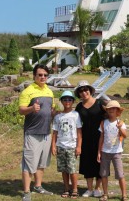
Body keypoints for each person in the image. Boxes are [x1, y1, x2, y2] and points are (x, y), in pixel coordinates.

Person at [18, 64, 55, 201]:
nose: (43, 77)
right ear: (34, 76)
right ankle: (27, 192)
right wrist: (31, 108)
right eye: (40, 75)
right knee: (29, 163)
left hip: (46, 132)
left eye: (45, 75)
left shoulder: (49, 91)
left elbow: (51, 109)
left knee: (41, 162)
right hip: (32, 132)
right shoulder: (27, 91)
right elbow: (21, 110)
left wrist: (56, 113)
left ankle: (38, 186)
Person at [74, 80, 106, 198]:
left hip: (100, 137)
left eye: (86, 89)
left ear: (90, 90)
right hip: (85, 137)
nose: (84, 92)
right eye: (81, 91)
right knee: (87, 162)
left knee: (99, 163)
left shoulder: (100, 103)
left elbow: (111, 113)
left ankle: (97, 188)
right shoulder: (79, 106)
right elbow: (74, 120)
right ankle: (89, 188)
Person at [51, 90, 82, 199]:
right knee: (64, 170)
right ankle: (66, 188)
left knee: (72, 169)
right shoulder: (58, 116)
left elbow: (79, 132)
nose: (67, 101)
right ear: (61, 101)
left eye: (69, 99)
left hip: (72, 146)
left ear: (73, 101)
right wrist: (53, 146)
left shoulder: (76, 115)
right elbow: (54, 132)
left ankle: (74, 189)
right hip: (61, 146)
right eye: (65, 99)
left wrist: (79, 146)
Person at [97, 100, 128, 201]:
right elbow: (101, 137)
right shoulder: (103, 123)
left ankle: (124, 195)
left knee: (120, 174)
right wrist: (99, 152)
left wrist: (120, 128)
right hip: (105, 152)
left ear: (118, 111)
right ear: (107, 110)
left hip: (116, 152)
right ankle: (105, 194)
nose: (112, 110)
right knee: (104, 174)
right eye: (110, 108)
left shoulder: (121, 123)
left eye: (114, 108)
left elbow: (125, 136)